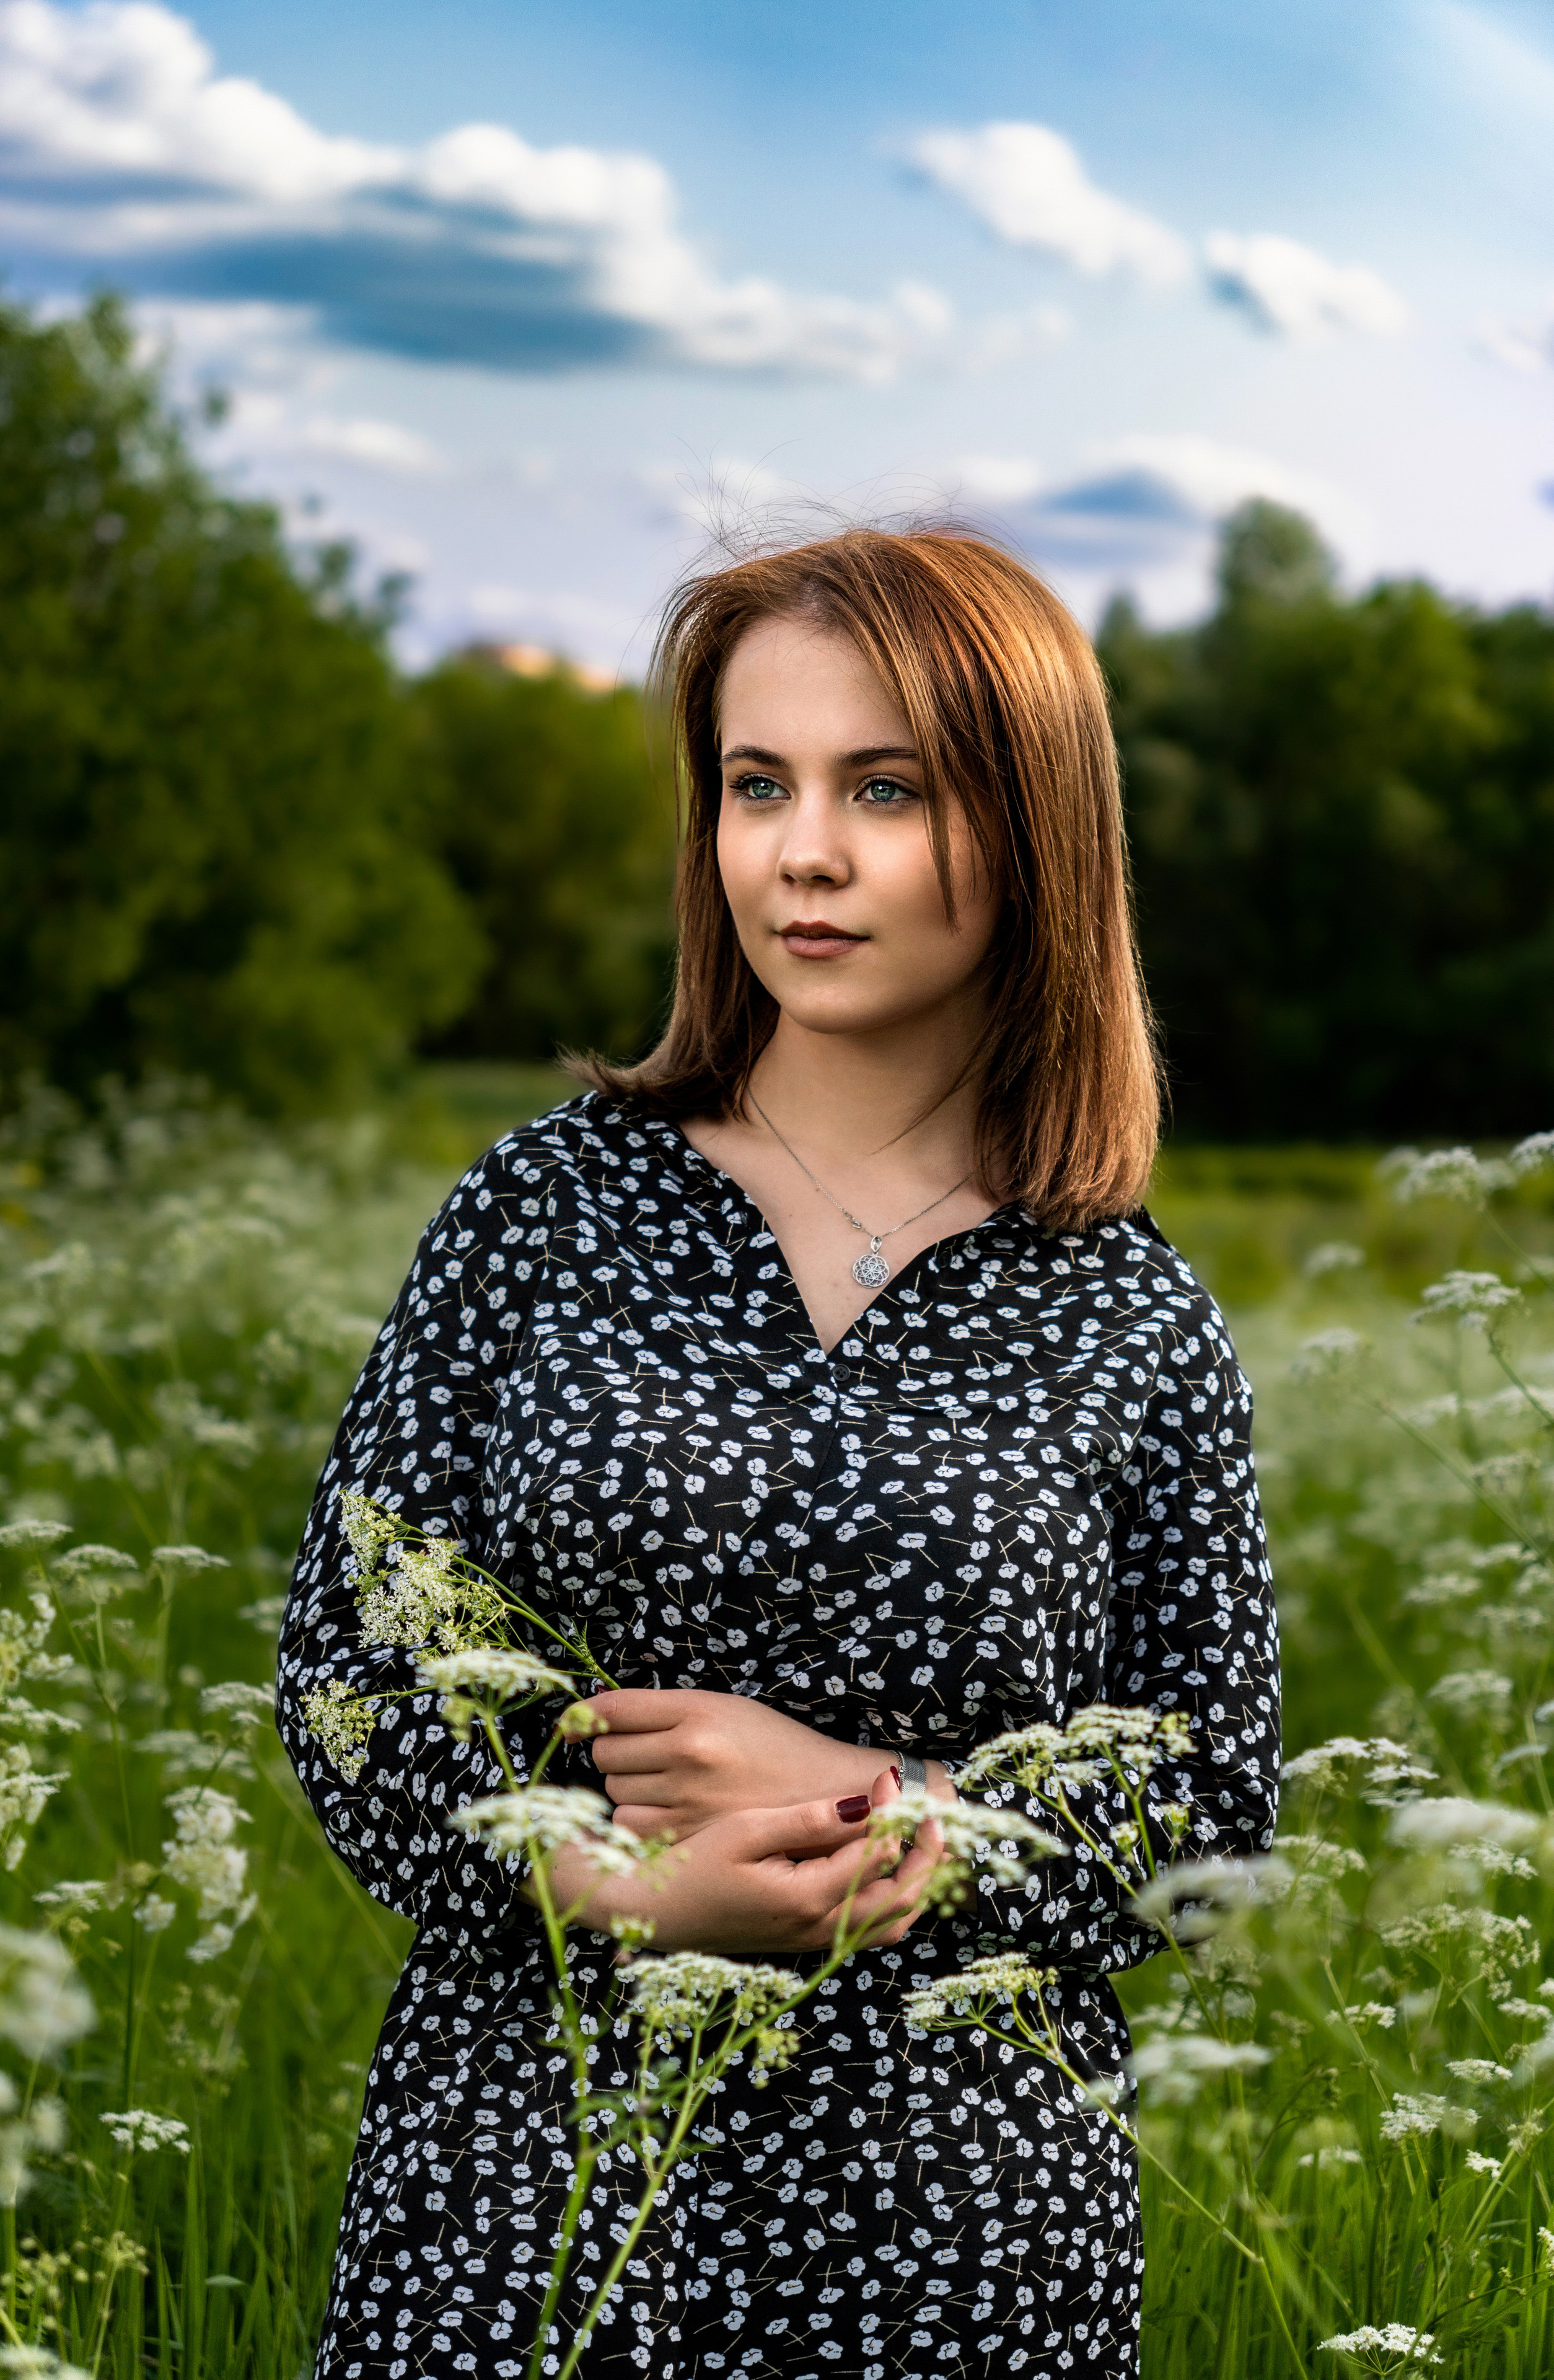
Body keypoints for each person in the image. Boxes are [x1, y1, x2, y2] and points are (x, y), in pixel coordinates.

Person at [277, 524, 1280, 2380]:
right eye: (758, 784)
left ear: (1034, 824)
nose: (801, 851)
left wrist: (896, 1808)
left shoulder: (1132, 1316)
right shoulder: (544, 1207)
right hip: (529, 2191)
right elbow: (344, 1674)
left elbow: (1209, 1810)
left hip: (964, 2231)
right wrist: (618, 1880)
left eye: (882, 789)